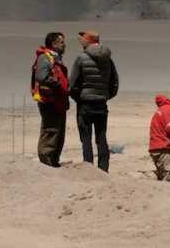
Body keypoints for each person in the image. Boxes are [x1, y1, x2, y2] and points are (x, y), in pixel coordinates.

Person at [68, 30, 119, 172]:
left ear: (87, 42)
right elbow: (114, 82)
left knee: (86, 138)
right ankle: (103, 169)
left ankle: (88, 168)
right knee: (101, 136)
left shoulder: (81, 58)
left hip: (85, 104)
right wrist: (106, 96)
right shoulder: (108, 59)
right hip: (101, 104)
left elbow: (72, 84)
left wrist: (78, 98)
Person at [31, 32, 70, 167]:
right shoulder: (45, 57)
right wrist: (58, 84)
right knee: (51, 131)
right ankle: (46, 162)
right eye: (62, 42)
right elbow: (41, 76)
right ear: (53, 44)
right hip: (50, 102)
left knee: (58, 132)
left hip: (58, 101)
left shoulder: (55, 58)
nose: (64, 45)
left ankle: (53, 161)